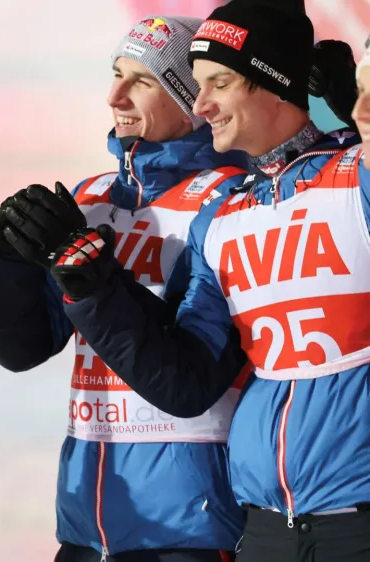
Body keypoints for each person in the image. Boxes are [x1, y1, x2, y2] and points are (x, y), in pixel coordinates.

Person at [26, 2, 369, 561]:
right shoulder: (225, 218)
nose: (201, 104)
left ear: (274, 84)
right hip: (270, 525)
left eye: (220, 84)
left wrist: (357, 112)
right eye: (198, 84)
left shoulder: (354, 181)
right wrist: (95, 290)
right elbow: (186, 380)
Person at [0, 15, 249, 562]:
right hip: (88, 522)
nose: (114, 96)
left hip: (188, 525)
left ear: (192, 100)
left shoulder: (231, 200)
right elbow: (21, 348)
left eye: (141, 80)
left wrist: (96, 280)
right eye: (115, 74)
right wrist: (11, 257)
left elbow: (187, 365)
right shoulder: (91, 198)